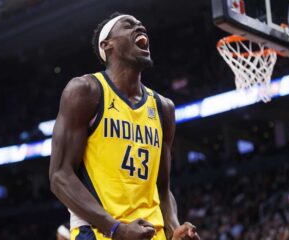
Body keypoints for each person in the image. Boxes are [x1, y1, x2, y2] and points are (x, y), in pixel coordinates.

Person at [49, 12, 200, 240]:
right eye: (128, 25)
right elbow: (60, 176)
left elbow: (162, 188)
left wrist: (174, 229)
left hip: (150, 233)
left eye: (141, 24)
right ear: (106, 44)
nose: (140, 27)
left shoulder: (163, 108)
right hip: (101, 232)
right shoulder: (86, 91)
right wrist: (115, 228)